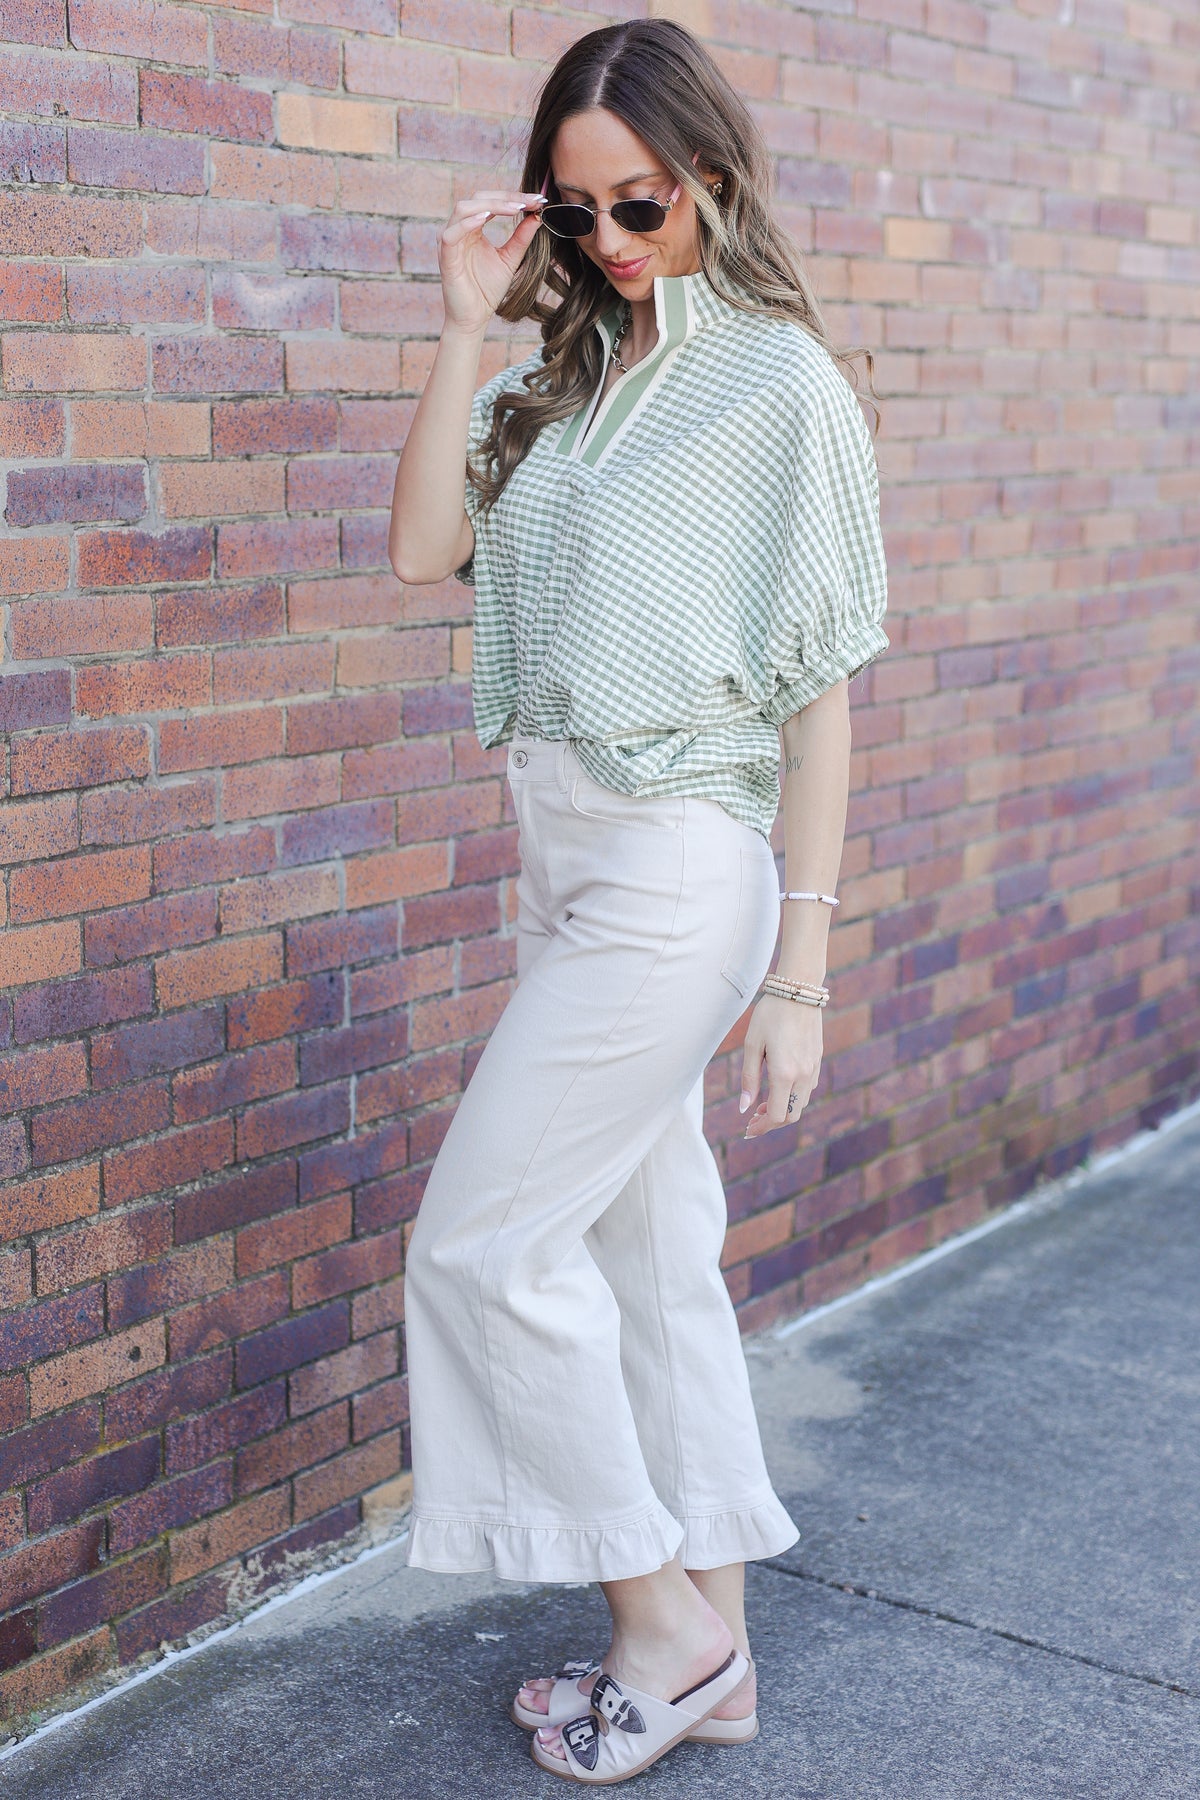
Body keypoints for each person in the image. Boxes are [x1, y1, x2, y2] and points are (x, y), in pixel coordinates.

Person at [387, 18, 889, 1785]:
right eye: (582, 210)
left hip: (682, 864)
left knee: (476, 1248)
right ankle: (721, 1659)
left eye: (645, 206)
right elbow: (424, 551)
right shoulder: (579, 380)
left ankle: (654, 1620)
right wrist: (464, 329)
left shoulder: (781, 385)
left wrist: (802, 977)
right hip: (567, 857)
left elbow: (823, 691)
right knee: (643, 1252)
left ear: (715, 181)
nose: (611, 243)